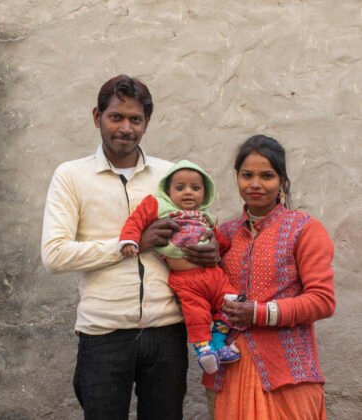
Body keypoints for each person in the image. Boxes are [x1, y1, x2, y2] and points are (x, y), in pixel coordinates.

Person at [41, 74, 218, 420]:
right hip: (104, 333)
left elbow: (200, 230)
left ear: (146, 123)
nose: (125, 128)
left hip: (167, 330)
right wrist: (132, 243)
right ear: (97, 117)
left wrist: (209, 251)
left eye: (135, 119)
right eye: (116, 117)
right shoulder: (71, 176)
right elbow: (55, 254)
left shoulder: (170, 176)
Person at [203, 135, 336, 420]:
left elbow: (323, 301)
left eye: (267, 175)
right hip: (229, 370)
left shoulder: (304, 229)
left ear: (281, 181)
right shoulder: (224, 234)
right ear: (237, 178)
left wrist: (259, 313)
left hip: (287, 375)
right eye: (247, 175)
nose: (255, 184)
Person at [119, 159, 242, 375]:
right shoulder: (158, 206)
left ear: (205, 193)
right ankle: (203, 349)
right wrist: (130, 240)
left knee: (232, 304)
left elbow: (221, 243)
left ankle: (219, 342)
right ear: (168, 190)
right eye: (180, 187)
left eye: (195, 188)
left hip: (214, 275)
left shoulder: (206, 216)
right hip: (186, 280)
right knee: (197, 313)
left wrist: (217, 244)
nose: (188, 193)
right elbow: (136, 221)